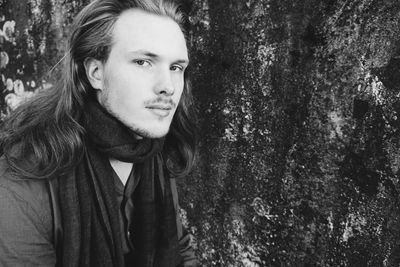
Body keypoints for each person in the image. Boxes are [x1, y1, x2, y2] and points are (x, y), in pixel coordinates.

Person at [0, 0, 199, 266]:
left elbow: (179, 249)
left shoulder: (153, 152)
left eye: (176, 68)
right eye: (143, 62)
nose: (168, 87)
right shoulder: (25, 177)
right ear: (95, 72)